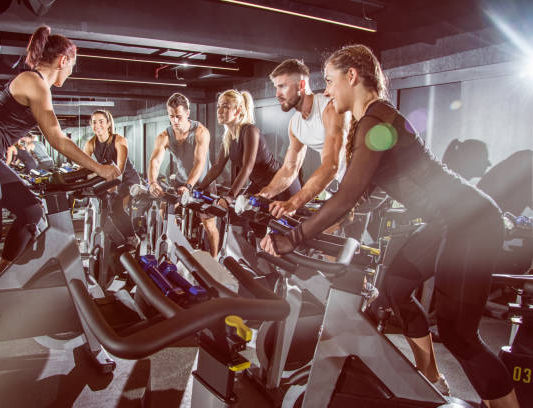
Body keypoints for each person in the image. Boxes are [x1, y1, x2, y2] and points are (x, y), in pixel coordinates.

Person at [260, 44, 519, 408]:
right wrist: (307, 220)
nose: (329, 91)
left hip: (471, 224)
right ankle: (429, 375)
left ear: (352, 76)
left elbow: (348, 195)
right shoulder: (371, 121)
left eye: (332, 81)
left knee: (458, 335)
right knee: (395, 286)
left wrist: (293, 238)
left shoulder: (378, 122)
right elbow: (355, 196)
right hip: (445, 223)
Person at [0, 26, 120, 342]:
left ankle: (2, 285)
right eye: (72, 64)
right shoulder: (34, 82)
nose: (71, 70)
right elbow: (55, 137)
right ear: (63, 60)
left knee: (31, 210)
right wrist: (100, 168)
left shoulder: (37, 84)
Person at [256, 59, 349, 218]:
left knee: (329, 232)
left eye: (282, 86)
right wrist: (264, 194)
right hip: (347, 185)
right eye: (276, 87)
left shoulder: (330, 108)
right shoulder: (295, 125)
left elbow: (332, 165)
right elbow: (289, 169)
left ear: (301, 85)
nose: (277, 94)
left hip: (371, 183)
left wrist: (293, 203)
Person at [197, 89, 300, 206]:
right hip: (259, 185)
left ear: (238, 110)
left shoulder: (249, 130)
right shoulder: (228, 138)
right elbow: (217, 167)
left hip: (281, 185)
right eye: (218, 106)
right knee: (244, 217)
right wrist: (198, 188)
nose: (219, 111)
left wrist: (230, 196)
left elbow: (247, 166)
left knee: (277, 222)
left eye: (225, 107)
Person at [147, 92, 219, 258]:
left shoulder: (201, 132)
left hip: (203, 182)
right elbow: (155, 161)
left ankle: (214, 260)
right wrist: (152, 182)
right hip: (180, 180)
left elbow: (199, 162)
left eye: (179, 116)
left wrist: (189, 186)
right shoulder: (164, 136)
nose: (175, 121)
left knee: (209, 225)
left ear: (187, 113)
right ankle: (175, 250)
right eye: (171, 116)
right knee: (164, 210)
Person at [83, 109, 140, 243]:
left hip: (127, 179)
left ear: (109, 124)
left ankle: (132, 239)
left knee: (116, 208)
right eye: (94, 122)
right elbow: (83, 166)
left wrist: (112, 184)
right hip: (110, 179)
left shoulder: (119, 141)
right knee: (107, 210)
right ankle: (117, 241)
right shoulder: (91, 143)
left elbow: (119, 170)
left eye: (101, 122)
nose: (97, 125)